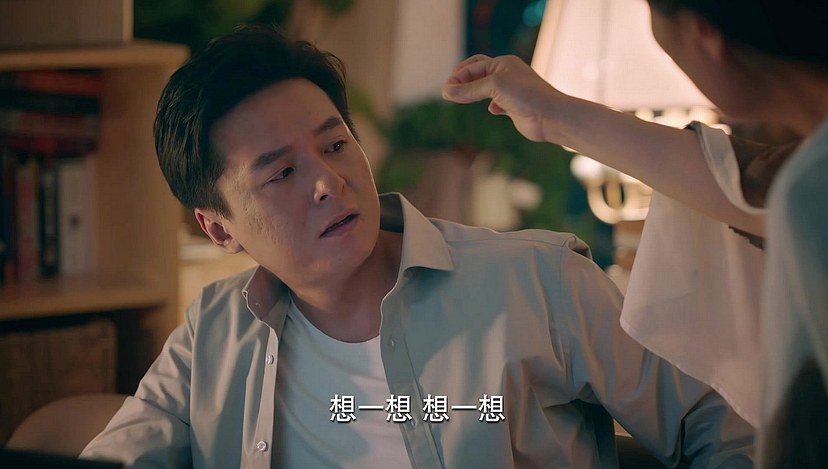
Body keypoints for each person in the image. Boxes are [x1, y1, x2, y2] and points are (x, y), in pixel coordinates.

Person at [80, 24, 754, 468]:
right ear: (219, 227)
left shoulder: (537, 281)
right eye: (281, 173)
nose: (328, 182)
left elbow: (725, 433)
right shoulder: (213, 331)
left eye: (335, 144)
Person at [443, 0, 828, 465]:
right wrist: (550, 113)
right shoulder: (811, 177)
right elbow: (747, 186)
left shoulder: (814, 188)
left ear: (703, 35)